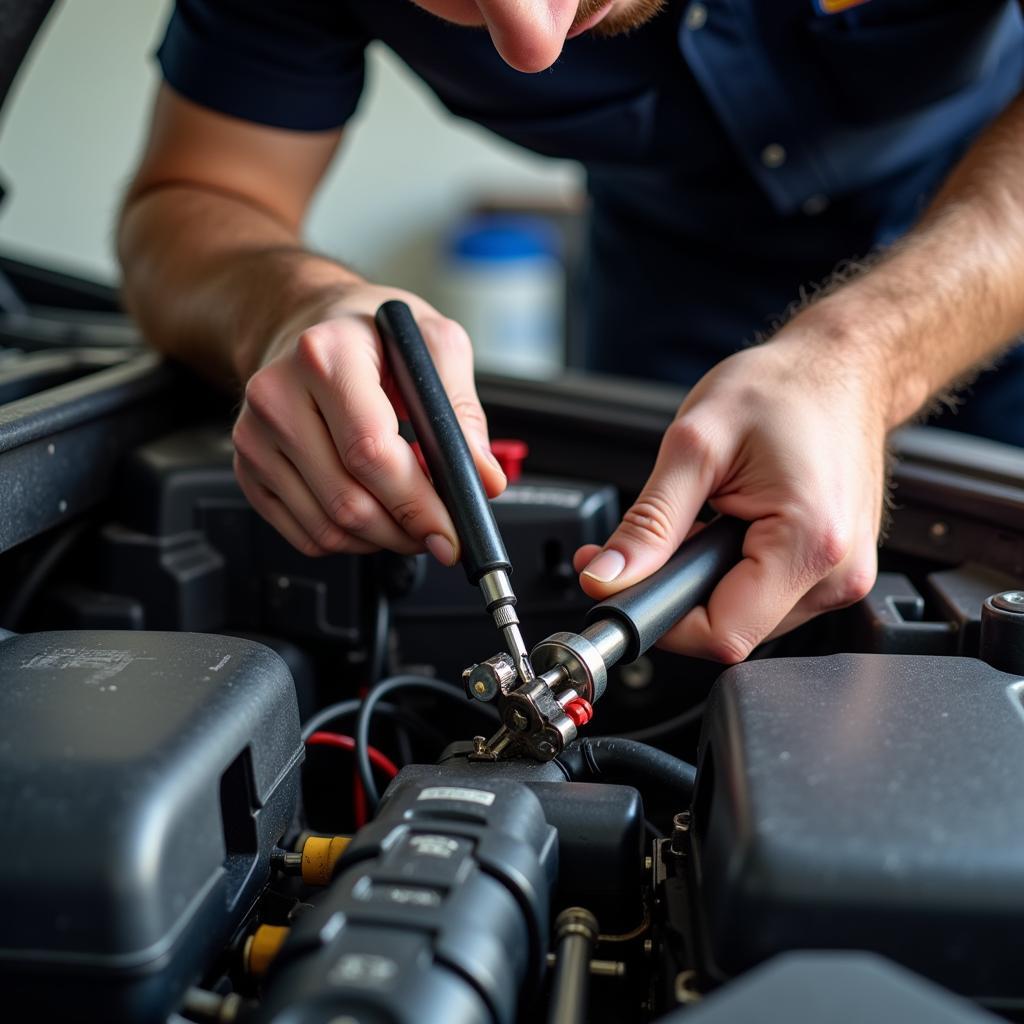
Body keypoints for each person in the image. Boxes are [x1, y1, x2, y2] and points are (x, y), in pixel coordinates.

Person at [118, 0, 1024, 664]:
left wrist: (864, 356)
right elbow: (197, 197)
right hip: (663, 307)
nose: (530, 40)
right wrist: (291, 304)